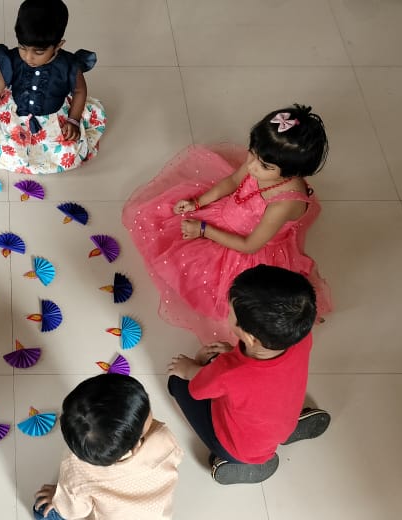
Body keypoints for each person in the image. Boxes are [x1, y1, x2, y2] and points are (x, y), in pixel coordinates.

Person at [122, 104, 332, 344]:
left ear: (292, 173)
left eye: (265, 166)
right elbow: (233, 181)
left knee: (216, 286)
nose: (251, 166)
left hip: (247, 246)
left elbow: (250, 246)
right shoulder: (257, 166)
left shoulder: (283, 203)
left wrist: (204, 230)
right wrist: (198, 202)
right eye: (252, 153)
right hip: (226, 213)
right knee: (165, 221)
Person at [166, 265, 331, 485]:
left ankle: (238, 461)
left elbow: (197, 388)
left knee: (176, 382)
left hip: (239, 449)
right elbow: (261, 374)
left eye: (230, 313)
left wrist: (190, 366)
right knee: (262, 406)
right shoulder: (302, 338)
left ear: (250, 338)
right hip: (281, 422)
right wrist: (233, 353)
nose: (227, 314)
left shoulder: (229, 371)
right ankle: (281, 436)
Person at [0, 0, 106, 174]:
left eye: (39, 52)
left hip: (53, 121)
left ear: (58, 45)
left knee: (68, 152)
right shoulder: (13, 60)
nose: (28, 57)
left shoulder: (68, 65)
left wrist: (73, 120)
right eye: (22, 47)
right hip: (14, 118)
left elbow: (79, 91)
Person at [32, 374, 182, 520]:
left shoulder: (76, 468)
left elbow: (75, 512)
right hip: (157, 514)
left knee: (41, 511)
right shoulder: (164, 437)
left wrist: (58, 497)